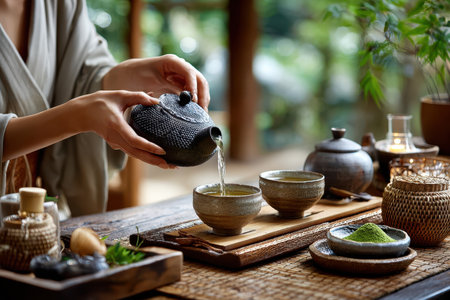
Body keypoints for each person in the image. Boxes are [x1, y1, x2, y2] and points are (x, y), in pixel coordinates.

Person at [0, 0, 210, 216]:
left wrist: (124, 76)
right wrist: (77, 116)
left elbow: (83, 71)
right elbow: (81, 105)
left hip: (38, 219)